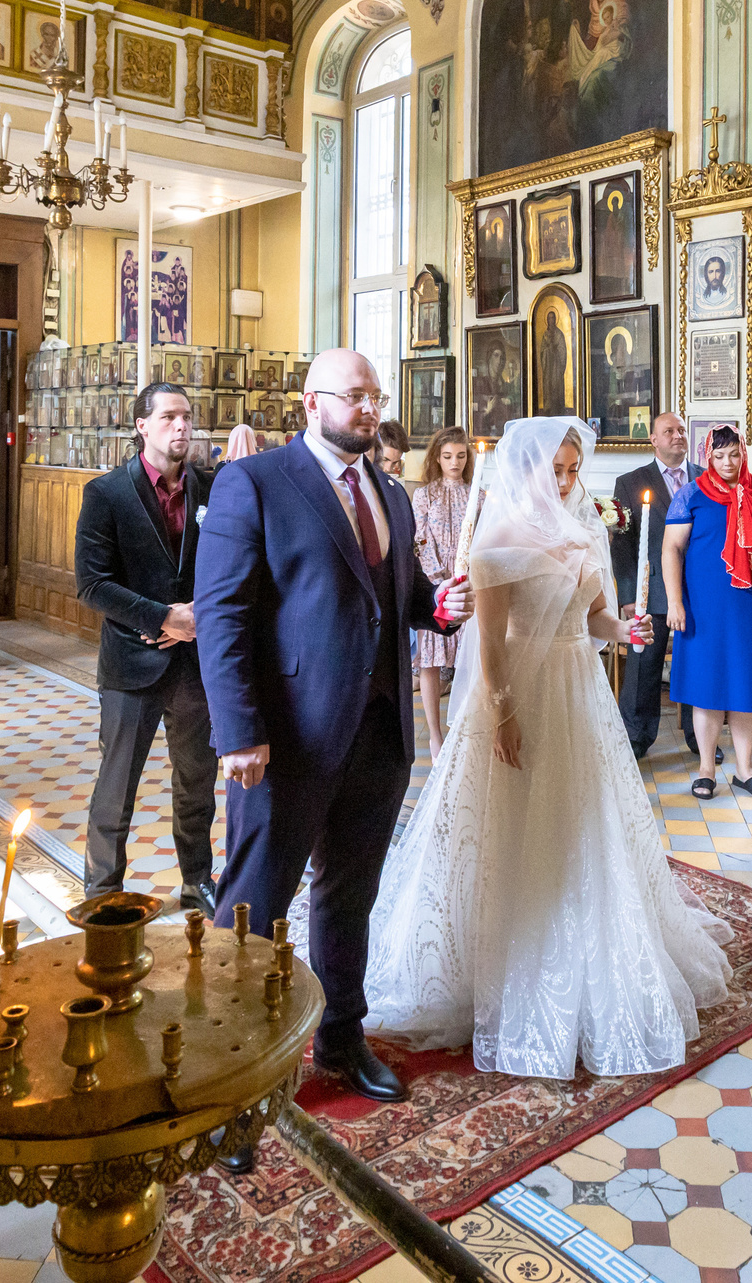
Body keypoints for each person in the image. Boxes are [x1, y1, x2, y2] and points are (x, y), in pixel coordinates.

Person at [365, 418, 729, 1077]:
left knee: (588, 830)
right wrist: (502, 714)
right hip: (515, 698)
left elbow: (593, 619)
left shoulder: (579, 528)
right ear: (525, 468)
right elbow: (494, 644)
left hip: (578, 692)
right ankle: (492, 960)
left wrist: (627, 627)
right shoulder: (498, 540)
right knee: (510, 830)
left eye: (572, 470)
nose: (566, 482)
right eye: (554, 470)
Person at [194, 349, 472, 1129]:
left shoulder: (390, 491)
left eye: (375, 396)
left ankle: (341, 1041)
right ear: (310, 400)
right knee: (253, 906)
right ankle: (230, 1081)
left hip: (379, 733)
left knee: (349, 897)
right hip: (287, 739)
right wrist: (240, 729)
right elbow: (221, 615)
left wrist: (442, 605)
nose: (369, 408)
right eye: (354, 395)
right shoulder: (256, 482)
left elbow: (404, 593)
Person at [75, 383, 219, 915]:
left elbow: (230, 564)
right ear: (143, 425)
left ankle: (197, 879)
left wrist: (196, 619)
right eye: (169, 417)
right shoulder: (107, 493)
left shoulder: (212, 488)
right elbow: (92, 584)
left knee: (197, 781)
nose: (181, 427)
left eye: (187, 417)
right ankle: (102, 890)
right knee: (116, 784)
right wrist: (163, 617)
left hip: (195, 664)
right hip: (132, 663)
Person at [662, 428, 752, 801]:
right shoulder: (690, 495)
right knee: (706, 690)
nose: (727, 463)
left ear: (743, 453)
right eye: (719, 456)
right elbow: (671, 549)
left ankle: (745, 770)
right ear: (708, 457)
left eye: (734, 455)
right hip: (702, 610)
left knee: (743, 687)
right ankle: (706, 769)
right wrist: (675, 602)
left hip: (751, 608)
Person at [609, 412, 696, 758]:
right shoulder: (630, 482)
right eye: (669, 431)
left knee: (694, 663)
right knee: (644, 665)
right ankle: (636, 736)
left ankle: (698, 735)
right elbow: (622, 544)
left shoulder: (704, 479)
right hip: (651, 588)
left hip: (695, 589)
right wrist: (630, 595)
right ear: (654, 440)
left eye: (681, 430)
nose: (677, 436)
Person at [406, 425, 471, 753]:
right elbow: (418, 539)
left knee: (466, 659)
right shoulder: (424, 494)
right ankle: (435, 735)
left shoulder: (478, 495)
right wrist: (437, 578)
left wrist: (463, 575)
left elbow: (481, 539)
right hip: (434, 586)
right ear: (437, 458)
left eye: (460, 456)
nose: (454, 462)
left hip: (465, 585)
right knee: (430, 661)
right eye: (448, 456)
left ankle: (463, 730)